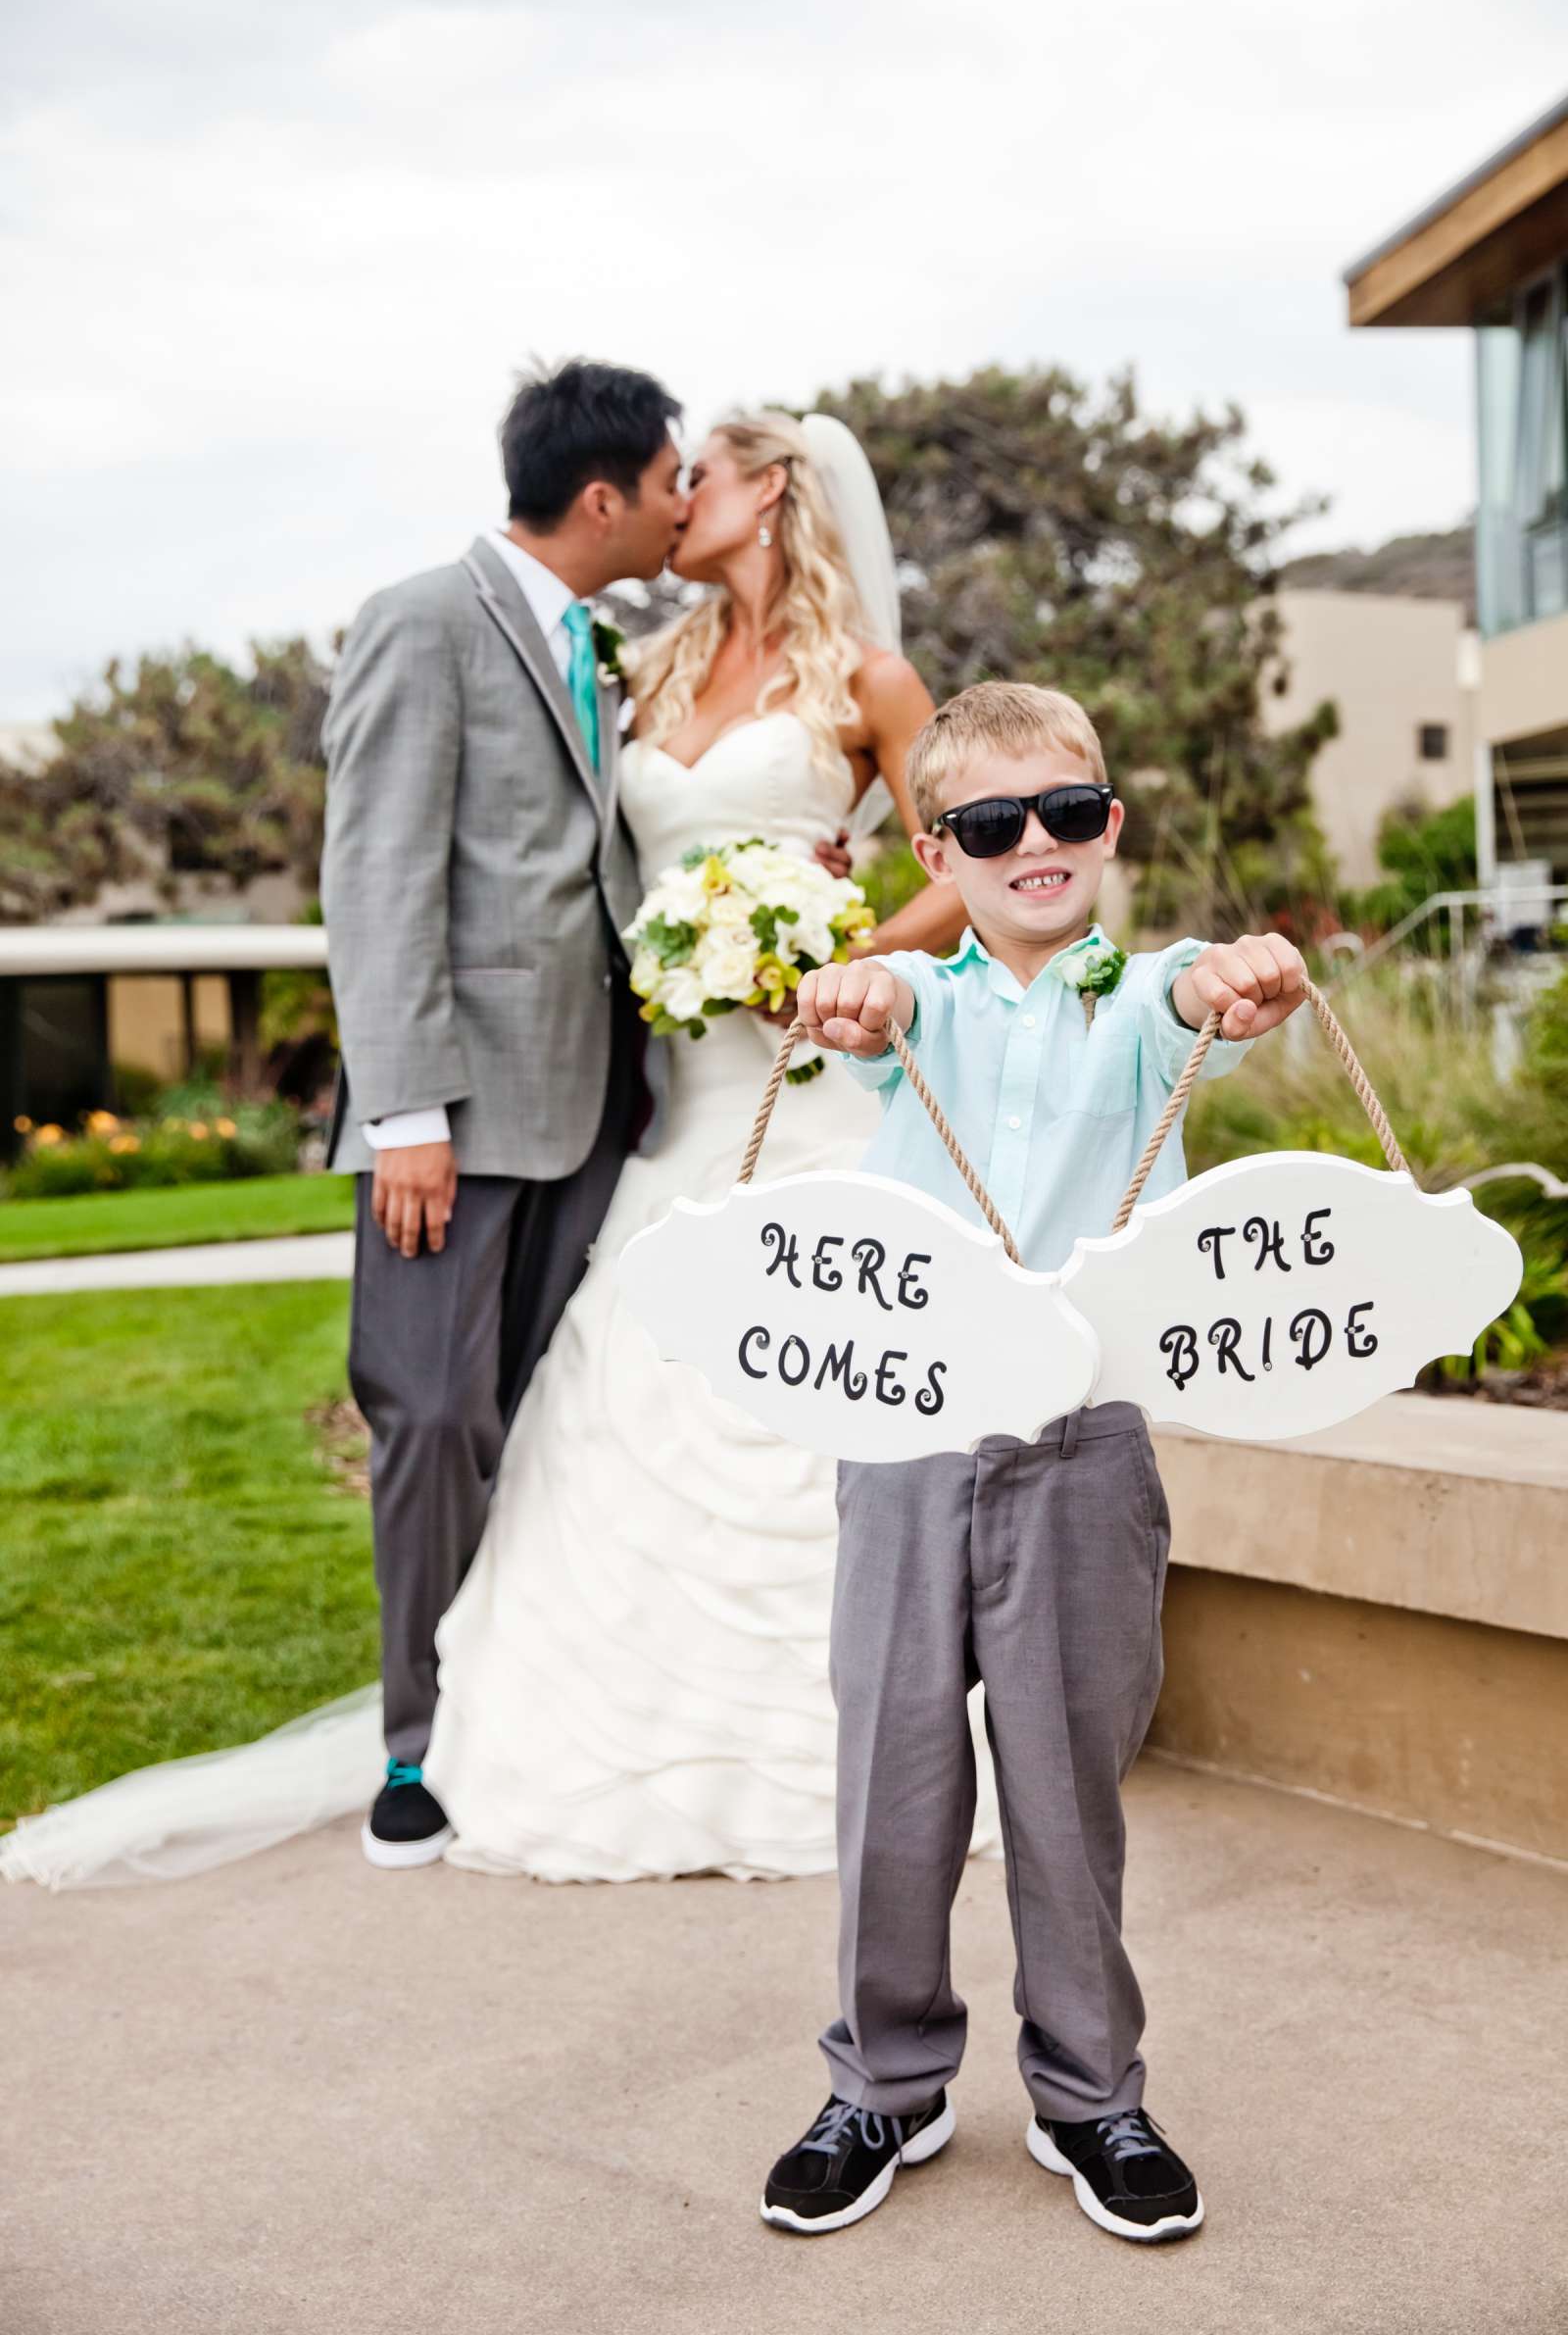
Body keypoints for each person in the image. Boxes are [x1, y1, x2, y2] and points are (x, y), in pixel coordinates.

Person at [760, 681, 1307, 2242]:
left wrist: (1245, 976)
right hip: (911, 1438)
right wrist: (857, 994)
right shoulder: (922, 999)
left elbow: (1209, 992)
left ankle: (1092, 2094)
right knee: (896, 1774)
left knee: (1067, 1787)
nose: (1036, 846)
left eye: (1067, 812)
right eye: (993, 825)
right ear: (945, 847)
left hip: (1084, 1443)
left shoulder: (1143, 997)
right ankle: (886, 2077)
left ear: (1108, 823)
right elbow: (876, 1016)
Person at [420, 409, 987, 1880]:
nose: (677, 501)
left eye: (702, 478)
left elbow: (970, 864)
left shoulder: (870, 679)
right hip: (675, 1094)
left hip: (811, 1093)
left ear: (771, 490)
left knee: (808, 1384)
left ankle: (855, 1741)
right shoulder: (647, 665)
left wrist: (841, 948)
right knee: (635, 1361)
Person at [318, 360, 688, 1867]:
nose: (680, 508)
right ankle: (415, 1739)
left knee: (536, 1422)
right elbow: (378, 870)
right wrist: (406, 1106)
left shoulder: (602, 642)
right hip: (456, 1120)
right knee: (430, 1415)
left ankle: (514, 1706)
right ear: (601, 495)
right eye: (669, 483)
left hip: (597, 1106)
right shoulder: (422, 619)